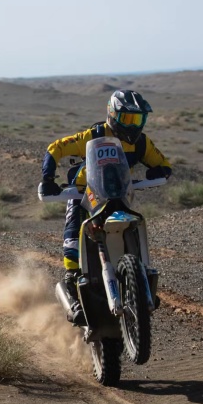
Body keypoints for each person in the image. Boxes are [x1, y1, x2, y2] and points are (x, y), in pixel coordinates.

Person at [39, 89, 172, 325]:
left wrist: (161, 170)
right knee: (73, 237)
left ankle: (141, 281)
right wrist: (48, 179)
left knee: (134, 225)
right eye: (127, 118)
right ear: (112, 114)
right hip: (85, 193)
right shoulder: (94, 134)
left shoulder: (142, 143)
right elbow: (55, 147)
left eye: (138, 119)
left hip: (118, 194)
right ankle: (72, 287)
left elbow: (163, 163)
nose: (133, 125)